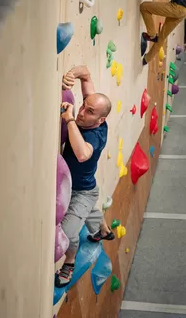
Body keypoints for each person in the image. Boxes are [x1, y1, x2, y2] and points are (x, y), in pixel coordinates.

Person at [56, 66, 114, 288]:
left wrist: (69, 120)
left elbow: (82, 154)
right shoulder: (91, 114)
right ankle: (104, 231)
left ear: (101, 120)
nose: (81, 112)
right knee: (91, 211)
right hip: (87, 186)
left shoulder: (96, 135)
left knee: (69, 232)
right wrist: (73, 73)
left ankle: (68, 264)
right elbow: (87, 73)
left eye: (89, 112)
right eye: (83, 106)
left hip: (81, 192)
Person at [140, 0, 186, 66]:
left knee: (144, 7)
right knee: (162, 37)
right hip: (182, 11)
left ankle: (151, 34)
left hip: (177, 7)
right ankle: (147, 59)